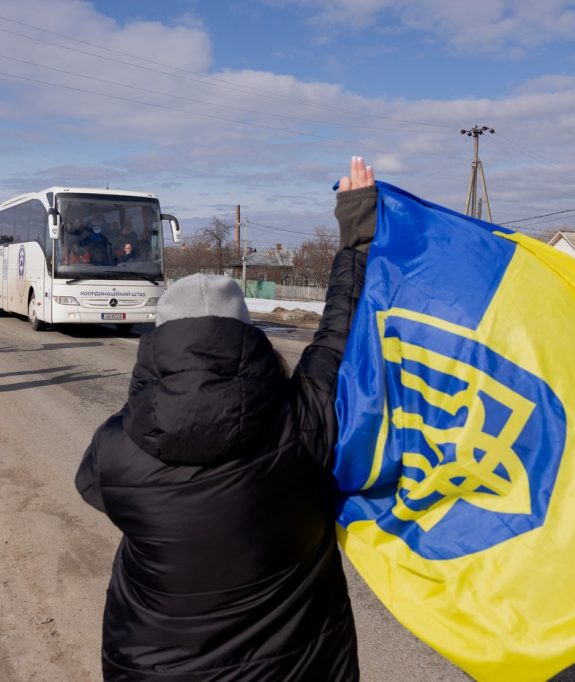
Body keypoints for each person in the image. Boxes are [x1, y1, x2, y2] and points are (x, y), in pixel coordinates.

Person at [75, 156, 376, 680]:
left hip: (154, 665)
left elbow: (94, 489)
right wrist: (357, 237)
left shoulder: (117, 449)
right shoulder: (305, 418)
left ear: (160, 343)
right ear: (246, 336)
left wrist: (147, 382)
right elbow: (341, 332)